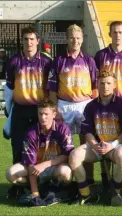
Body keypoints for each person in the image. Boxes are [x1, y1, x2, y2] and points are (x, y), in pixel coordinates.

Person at [47, 24, 98, 193]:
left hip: (84, 104)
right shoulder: (59, 60)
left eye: (78, 38)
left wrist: (92, 107)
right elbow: (52, 89)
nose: (75, 41)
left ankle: (88, 179)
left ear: (82, 39)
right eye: (71, 38)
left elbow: (96, 86)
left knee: (86, 144)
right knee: (62, 143)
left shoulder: (89, 60)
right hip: (64, 105)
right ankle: (64, 179)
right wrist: (56, 110)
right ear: (66, 39)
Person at [3, 26, 53, 199]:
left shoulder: (47, 62)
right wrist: (9, 111)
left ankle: (42, 182)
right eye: (25, 39)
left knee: (40, 148)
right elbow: (9, 88)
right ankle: (19, 185)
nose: (29, 42)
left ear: (38, 41)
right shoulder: (14, 61)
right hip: (20, 110)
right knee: (17, 147)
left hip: (40, 111)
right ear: (22, 41)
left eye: (32, 39)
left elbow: (51, 88)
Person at [68, 71, 122, 206]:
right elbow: (87, 131)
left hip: (116, 145)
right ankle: (86, 194)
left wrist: (112, 145)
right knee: (74, 155)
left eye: (108, 83)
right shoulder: (91, 106)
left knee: (121, 155)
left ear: (114, 85)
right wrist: (95, 145)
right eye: (102, 83)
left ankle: (116, 192)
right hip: (97, 145)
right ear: (97, 84)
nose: (105, 86)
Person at [5, 99, 74, 207]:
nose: (43, 117)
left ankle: (58, 190)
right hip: (35, 169)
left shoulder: (63, 129)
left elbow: (67, 155)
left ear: (54, 114)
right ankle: (38, 189)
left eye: (46, 114)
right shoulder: (31, 132)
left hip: (54, 167)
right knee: (10, 174)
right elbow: (30, 164)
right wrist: (35, 193)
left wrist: (45, 164)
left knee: (66, 172)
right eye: (40, 114)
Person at [95, 21, 122, 106]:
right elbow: (95, 79)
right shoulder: (101, 55)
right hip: (105, 102)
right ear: (110, 34)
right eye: (115, 32)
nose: (117, 35)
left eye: (120, 32)